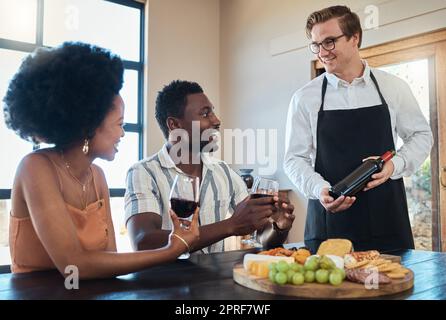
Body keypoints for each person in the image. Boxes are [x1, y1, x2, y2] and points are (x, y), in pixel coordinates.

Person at [3, 42, 199, 279]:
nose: (123, 134)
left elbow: (109, 260)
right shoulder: (35, 168)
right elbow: (74, 266)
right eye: (120, 124)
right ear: (89, 124)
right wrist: (170, 250)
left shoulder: (97, 176)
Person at [283, 6, 432, 253]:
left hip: (387, 220)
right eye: (316, 44)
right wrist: (320, 190)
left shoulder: (392, 87)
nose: (322, 52)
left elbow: (421, 136)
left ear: (355, 38)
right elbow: (294, 159)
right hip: (329, 224)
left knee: (392, 290)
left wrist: (395, 165)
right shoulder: (304, 98)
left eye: (329, 42)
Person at [125, 80, 295, 253]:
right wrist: (230, 225)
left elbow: (263, 238)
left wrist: (279, 226)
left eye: (212, 112)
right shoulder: (144, 173)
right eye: (205, 114)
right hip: (165, 280)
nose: (216, 120)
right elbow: (143, 241)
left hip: (214, 279)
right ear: (175, 125)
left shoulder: (223, 172)